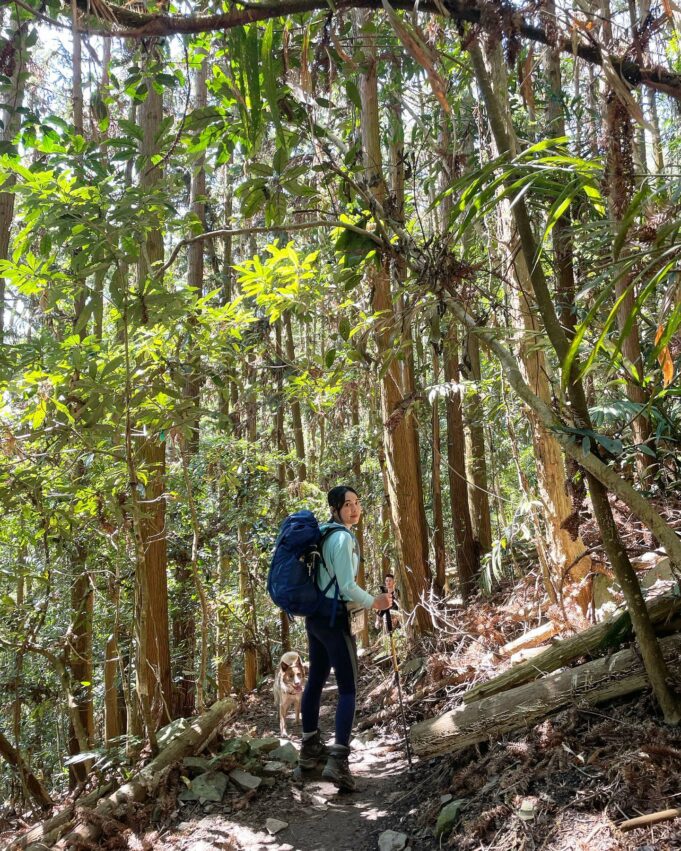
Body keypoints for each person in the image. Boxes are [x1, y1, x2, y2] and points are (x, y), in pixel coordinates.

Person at [297, 485, 392, 792]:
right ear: (335, 509)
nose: (354, 509)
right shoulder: (341, 538)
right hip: (333, 619)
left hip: (316, 617)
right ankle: (338, 761)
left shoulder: (324, 534)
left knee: (316, 680)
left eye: (356, 503)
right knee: (349, 688)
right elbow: (348, 586)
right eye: (347, 504)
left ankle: (309, 750)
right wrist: (374, 602)